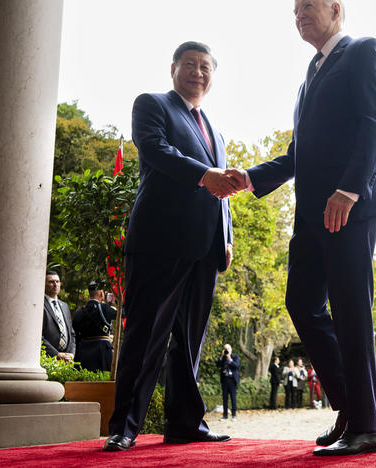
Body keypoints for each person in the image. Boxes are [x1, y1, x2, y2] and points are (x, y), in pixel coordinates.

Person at [228, 0, 376, 456]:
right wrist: (251, 178)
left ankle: (366, 428)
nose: (297, 13)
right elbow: (297, 153)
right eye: (294, 8)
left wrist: (350, 190)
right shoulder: (310, 74)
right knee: (301, 302)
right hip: (310, 215)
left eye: (307, 5)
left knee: (350, 310)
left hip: (349, 207)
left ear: (336, 9)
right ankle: (353, 407)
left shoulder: (364, 51)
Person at [103, 41, 236, 452]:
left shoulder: (214, 128)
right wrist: (206, 174)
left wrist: (226, 236)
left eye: (206, 67)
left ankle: (184, 424)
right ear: (174, 67)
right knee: (145, 336)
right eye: (191, 64)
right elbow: (158, 152)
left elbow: (223, 191)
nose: (199, 72)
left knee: (189, 343)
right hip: (160, 241)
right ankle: (124, 426)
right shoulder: (152, 105)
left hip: (206, 249)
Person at [72, 281, 116, 371]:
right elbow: (123, 313)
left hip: (83, 354)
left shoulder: (79, 312)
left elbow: (76, 336)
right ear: (101, 293)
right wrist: (117, 300)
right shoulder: (104, 308)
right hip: (102, 353)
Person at [41, 270, 75, 362]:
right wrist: (56, 354)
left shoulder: (65, 306)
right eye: (51, 282)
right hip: (47, 358)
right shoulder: (39, 304)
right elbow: (38, 335)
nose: (55, 284)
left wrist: (71, 353)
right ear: (43, 284)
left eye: (57, 281)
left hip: (66, 359)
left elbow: (71, 334)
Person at [217, 344, 240, 420]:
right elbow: (218, 365)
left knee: (233, 398)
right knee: (225, 399)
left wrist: (229, 358)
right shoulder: (222, 357)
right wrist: (221, 356)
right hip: (224, 380)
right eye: (225, 349)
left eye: (228, 348)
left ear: (231, 349)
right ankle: (225, 415)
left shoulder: (235, 356)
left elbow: (236, 366)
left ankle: (234, 415)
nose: (227, 350)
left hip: (232, 380)